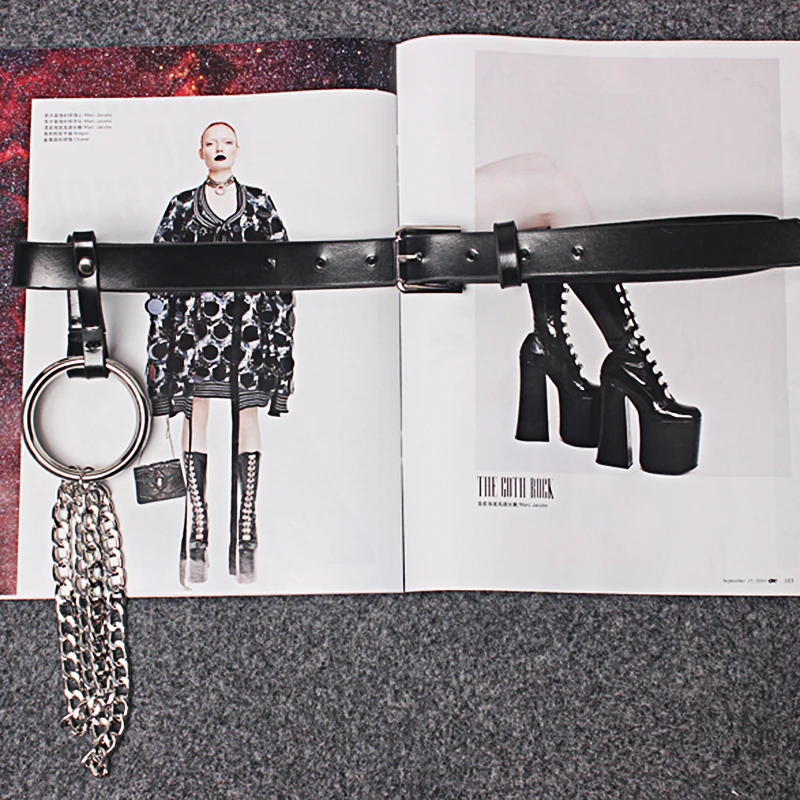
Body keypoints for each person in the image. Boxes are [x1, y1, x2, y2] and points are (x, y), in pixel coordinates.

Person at [145, 121, 294, 584]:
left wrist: (278, 336)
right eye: (211, 143)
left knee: (247, 415)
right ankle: (198, 522)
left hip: (248, 332)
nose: (219, 149)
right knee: (196, 415)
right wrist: (164, 334)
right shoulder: (181, 206)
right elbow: (159, 270)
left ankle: (246, 528)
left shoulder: (261, 203)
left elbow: (283, 267)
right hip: (198, 333)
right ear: (201, 152)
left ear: (238, 149)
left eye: (226, 142)